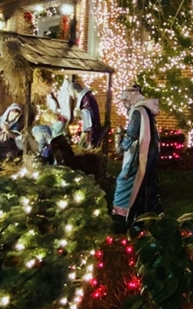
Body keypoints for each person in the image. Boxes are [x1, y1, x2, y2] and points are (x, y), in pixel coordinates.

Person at [112, 85, 161, 225]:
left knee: (124, 180)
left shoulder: (138, 112)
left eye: (125, 101)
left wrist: (121, 146)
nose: (124, 104)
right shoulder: (145, 109)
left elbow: (132, 134)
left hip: (139, 154)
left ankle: (122, 213)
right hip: (149, 151)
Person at [68, 77, 103, 148]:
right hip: (86, 126)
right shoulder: (84, 97)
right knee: (81, 144)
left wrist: (80, 113)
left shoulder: (87, 97)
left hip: (90, 127)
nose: (70, 95)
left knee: (85, 144)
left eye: (70, 92)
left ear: (74, 90)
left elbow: (90, 112)